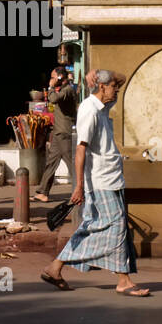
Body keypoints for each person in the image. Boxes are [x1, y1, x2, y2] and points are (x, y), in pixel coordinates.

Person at [41, 68, 149, 297]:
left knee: (106, 228)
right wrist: (79, 186)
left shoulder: (103, 106)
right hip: (100, 182)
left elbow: (122, 77)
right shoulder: (89, 110)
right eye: (112, 87)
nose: (116, 90)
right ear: (102, 87)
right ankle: (123, 281)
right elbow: (80, 150)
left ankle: (56, 268)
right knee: (115, 227)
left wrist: (96, 71)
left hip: (112, 179)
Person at [34, 66, 78, 202]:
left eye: (53, 77)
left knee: (72, 164)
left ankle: (81, 189)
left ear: (60, 77)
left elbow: (53, 99)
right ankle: (43, 192)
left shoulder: (68, 90)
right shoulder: (64, 89)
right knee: (51, 163)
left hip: (64, 133)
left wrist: (50, 87)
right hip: (58, 132)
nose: (51, 80)